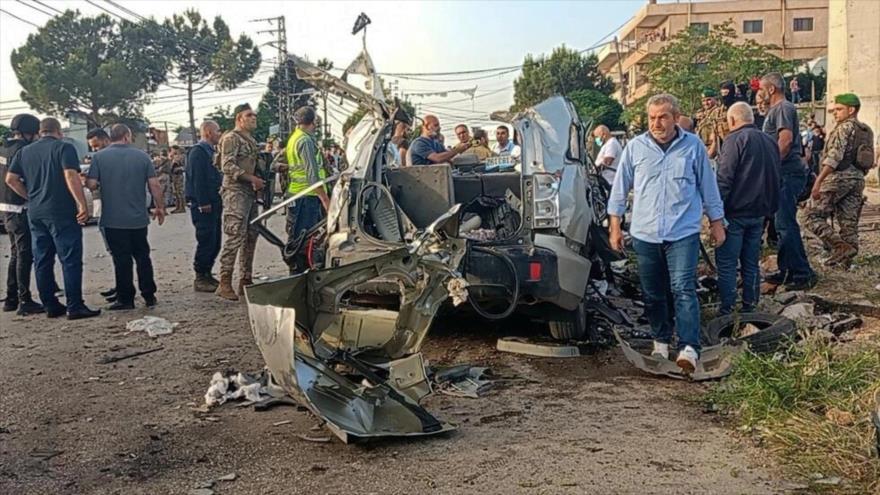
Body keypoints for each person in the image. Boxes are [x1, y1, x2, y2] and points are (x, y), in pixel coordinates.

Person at [607, 94, 725, 373]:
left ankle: (688, 347)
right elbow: (620, 189)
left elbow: (709, 188)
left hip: (682, 232)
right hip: (645, 233)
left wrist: (717, 222)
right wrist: (615, 226)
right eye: (652, 117)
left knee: (683, 288)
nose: (657, 123)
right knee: (653, 292)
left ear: (675, 118)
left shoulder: (693, 147)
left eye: (663, 117)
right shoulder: (635, 148)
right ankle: (661, 340)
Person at [4, 118, 100, 320]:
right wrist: (82, 203)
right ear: (58, 131)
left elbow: (10, 180)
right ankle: (75, 306)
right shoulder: (64, 148)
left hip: (35, 212)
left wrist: (30, 196)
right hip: (61, 210)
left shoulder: (25, 152)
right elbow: (70, 176)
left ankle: (50, 305)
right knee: (70, 259)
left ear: (40, 131)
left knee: (42, 259)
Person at [86, 124, 165, 310]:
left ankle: (126, 298)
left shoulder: (99, 157)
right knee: (142, 256)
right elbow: (154, 185)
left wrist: (94, 183)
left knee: (122, 259)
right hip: (138, 218)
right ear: (127, 136)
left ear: (110, 137)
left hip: (113, 219)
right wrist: (160, 207)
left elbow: (91, 184)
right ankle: (149, 294)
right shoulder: (142, 156)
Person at [715, 102, 781, 315]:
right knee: (750, 263)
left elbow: (724, 177)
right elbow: (775, 176)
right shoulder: (769, 141)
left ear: (732, 120)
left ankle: (727, 309)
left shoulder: (734, 140)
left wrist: (715, 212)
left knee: (726, 264)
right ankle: (750, 306)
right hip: (759, 213)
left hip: (735, 213)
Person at [805, 93, 875, 268]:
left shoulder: (844, 128)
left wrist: (819, 181)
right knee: (848, 222)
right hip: (858, 178)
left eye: (839, 109)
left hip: (838, 177)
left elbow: (833, 158)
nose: (834, 113)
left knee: (809, 215)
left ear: (851, 110)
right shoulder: (866, 130)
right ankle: (845, 262)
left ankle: (839, 247)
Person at [760, 72, 816, 290]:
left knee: (786, 224)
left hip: (786, 173)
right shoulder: (778, 109)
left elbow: (785, 141)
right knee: (781, 223)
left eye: (761, 89)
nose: (759, 93)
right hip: (782, 173)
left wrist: (770, 167)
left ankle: (802, 273)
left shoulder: (783, 108)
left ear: (771, 89)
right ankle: (787, 270)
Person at [215, 103, 264, 300]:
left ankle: (246, 277)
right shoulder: (231, 138)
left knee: (251, 235)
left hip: (250, 192)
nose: (253, 118)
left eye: (254, 115)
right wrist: (251, 178)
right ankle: (224, 281)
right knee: (235, 235)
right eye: (249, 115)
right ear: (239, 118)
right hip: (235, 191)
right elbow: (226, 165)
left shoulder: (251, 140)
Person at [0, 113, 44, 315]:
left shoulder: (4, 147)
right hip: (19, 208)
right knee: (24, 255)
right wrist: (31, 197)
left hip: (5, 208)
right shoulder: (23, 150)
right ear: (30, 133)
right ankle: (25, 300)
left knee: (16, 254)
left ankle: (11, 298)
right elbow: (13, 179)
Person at [284, 106, 331, 274]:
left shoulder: (294, 138)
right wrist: (325, 199)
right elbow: (312, 176)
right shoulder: (305, 141)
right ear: (312, 123)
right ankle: (299, 273)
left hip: (298, 194)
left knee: (300, 237)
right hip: (307, 196)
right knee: (304, 240)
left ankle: (298, 271)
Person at [186, 120, 223, 292]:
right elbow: (197, 179)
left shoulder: (211, 151)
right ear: (208, 132)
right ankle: (200, 276)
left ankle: (207, 274)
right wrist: (203, 202)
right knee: (206, 239)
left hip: (215, 202)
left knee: (215, 241)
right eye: (217, 131)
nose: (220, 134)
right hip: (204, 205)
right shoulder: (198, 152)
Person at [85, 128, 119, 303]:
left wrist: (88, 180)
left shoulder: (103, 158)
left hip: (108, 207)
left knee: (116, 250)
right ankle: (120, 285)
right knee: (114, 251)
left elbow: (92, 184)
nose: (96, 150)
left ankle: (123, 288)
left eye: (97, 145)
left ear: (106, 140)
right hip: (102, 205)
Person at [169, 145, 186, 213]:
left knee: (179, 192)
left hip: (178, 176)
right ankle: (178, 206)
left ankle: (182, 207)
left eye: (172, 150)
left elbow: (180, 166)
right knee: (176, 192)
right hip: (174, 176)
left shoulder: (180, 156)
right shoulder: (174, 157)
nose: (171, 151)